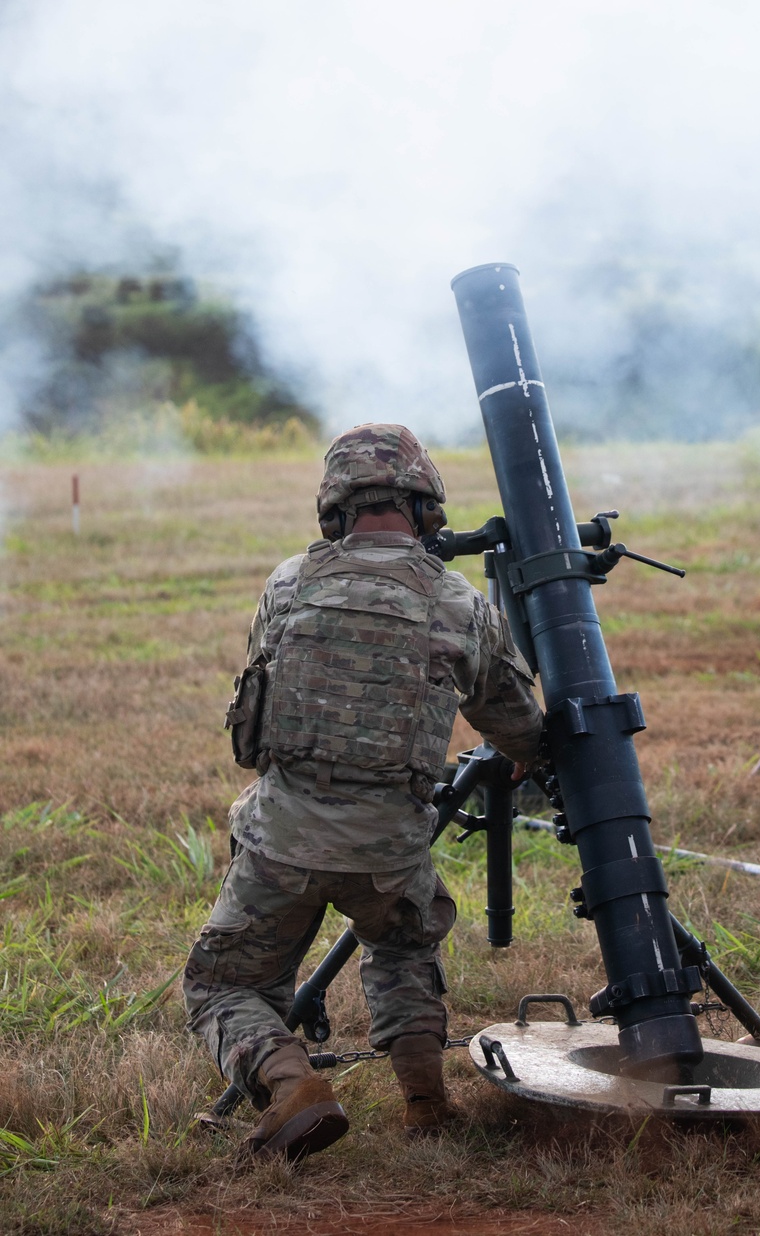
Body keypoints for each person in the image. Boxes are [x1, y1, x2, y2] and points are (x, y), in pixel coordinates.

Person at [184, 423, 544, 1163]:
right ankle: (426, 1104)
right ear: (426, 509)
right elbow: (518, 724)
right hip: (389, 848)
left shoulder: (288, 584)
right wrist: (525, 755)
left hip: (282, 838)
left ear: (336, 508)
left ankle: (291, 1086)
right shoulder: (458, 603)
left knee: (221, 983)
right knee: (403, 947)